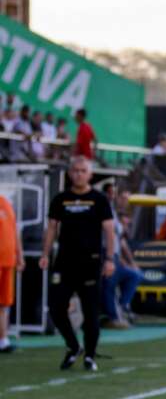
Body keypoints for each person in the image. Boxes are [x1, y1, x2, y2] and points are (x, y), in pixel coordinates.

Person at [39, 156, 116, 371]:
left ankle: (90, 355)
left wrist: (109, 259)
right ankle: (73, 346)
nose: (79, 174)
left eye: (83, 171)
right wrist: (45, 253)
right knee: (56, 307)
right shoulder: (61, 199)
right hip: (64, 262)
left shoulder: (99, 200)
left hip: (90, 263)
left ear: (90, 174)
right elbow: (52, 228)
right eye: (75, 170)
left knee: (91, 312)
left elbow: (109, 231)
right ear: (69, 173)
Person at [101, 188, 143, 327]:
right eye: (122, 198)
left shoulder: (116, 215)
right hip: (106, 254)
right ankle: (113, 317)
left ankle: (123, 305)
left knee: (135, 275)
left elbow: (122, 241)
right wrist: (109, 258)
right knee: (109, 285)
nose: (125, 201)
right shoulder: (103, 211)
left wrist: (130, 262)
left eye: (127, 198)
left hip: (116, 256)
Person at [0, 192, 23, 353]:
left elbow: (14, 231)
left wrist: (19, 255)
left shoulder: (5, 203)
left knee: (4, 303)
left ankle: (3, 340)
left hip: (8, 262)